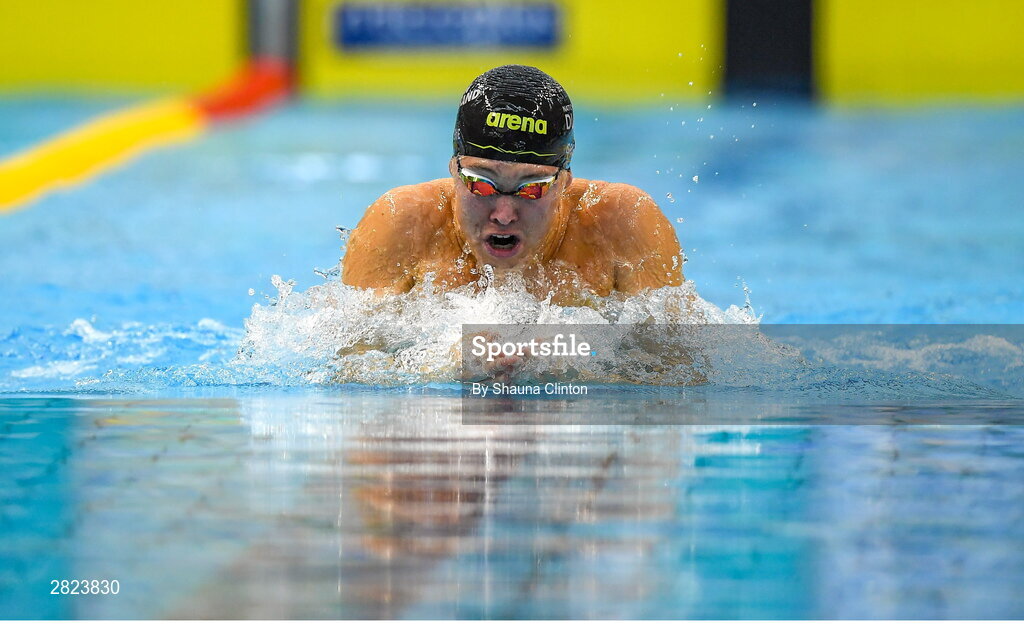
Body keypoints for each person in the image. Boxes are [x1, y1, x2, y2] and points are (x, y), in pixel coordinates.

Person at [342, 64, 684, 307]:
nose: (504, 214)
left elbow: (677, 367)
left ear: (564, 183)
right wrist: (453, 359)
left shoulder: (622, 221)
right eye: (482, 184)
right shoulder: (402, 220)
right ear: (454, 171)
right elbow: (349, 365)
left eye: (531, 189)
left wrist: (564, 350)